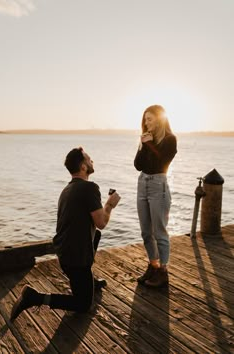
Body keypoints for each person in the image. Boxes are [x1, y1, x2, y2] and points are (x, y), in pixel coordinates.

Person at [10, 147, 120, 321]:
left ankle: (88, 281)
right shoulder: (89, 188)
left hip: (65, 253)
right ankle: (34, 297)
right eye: (89, 159)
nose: (92, 162)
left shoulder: (67, 189)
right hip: (76, 259)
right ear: (83, 166)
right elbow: (101, 223)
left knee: (95, 236)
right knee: (83, 305)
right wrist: (110, 205)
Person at [134, 105, 177, 287]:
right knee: (145, 232)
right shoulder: (144, 139)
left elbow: (160, 162)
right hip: (142, 183)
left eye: (150, 118)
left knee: (159, 232)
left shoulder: (170, 139)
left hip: (158, 184)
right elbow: (138, 165)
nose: (146, 122)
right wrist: (144, 145)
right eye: (145, 119)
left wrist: (150, 144)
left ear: (159, 120)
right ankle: (153, 265)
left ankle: (163, 272)